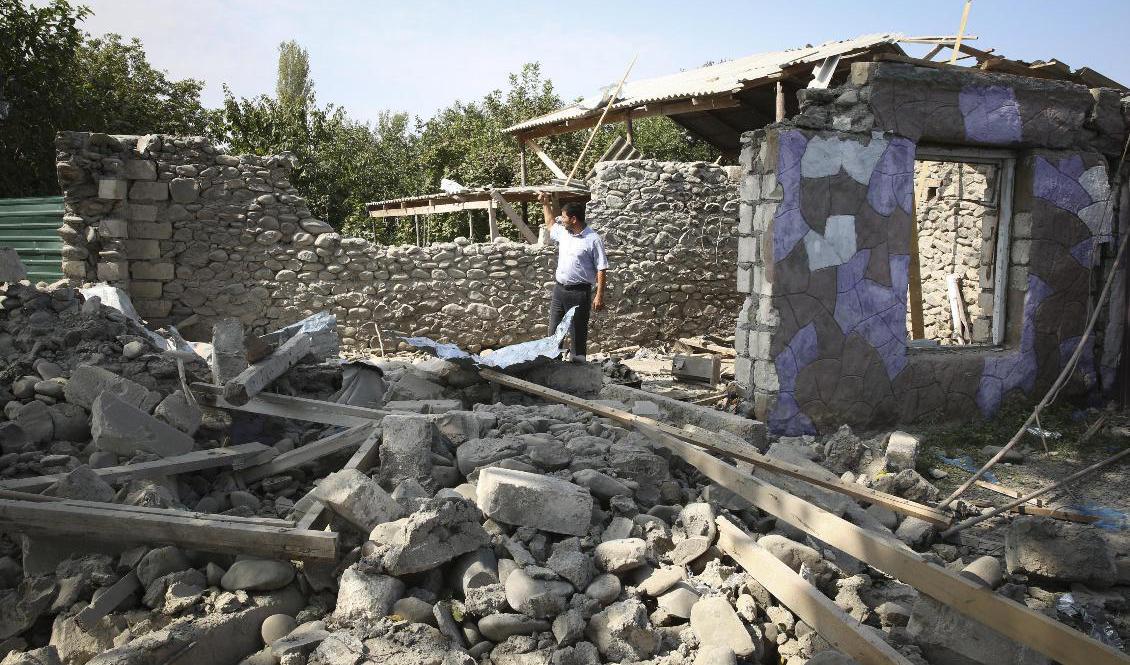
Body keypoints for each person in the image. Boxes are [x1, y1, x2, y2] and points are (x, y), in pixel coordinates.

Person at [538, 192, 608, 362]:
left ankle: (578, 368)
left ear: (574, 219)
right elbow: (550, 223)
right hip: (560, 290)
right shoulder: (564, 234)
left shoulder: (593, 240)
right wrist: (545, 203)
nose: (561, 220)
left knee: (577, 332)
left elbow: (601, 268)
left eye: (563, 217)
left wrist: (599, 295)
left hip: (579, 293)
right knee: (554, 331)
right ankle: (552, 365)